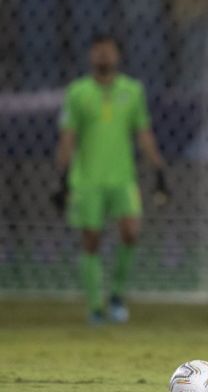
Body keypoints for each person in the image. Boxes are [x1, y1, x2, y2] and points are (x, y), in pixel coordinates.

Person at [54, 34, 168, 325]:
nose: (104, 56)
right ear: (91, 56)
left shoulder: (132, 90)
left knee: (130, 232)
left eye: (109, 51)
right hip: (87, 179)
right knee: (91, 240)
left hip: (122, 177)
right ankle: (95, 307)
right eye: (98, 51)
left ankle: (116, 295)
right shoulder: (77, 92)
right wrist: (61, 177)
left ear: (117, 56)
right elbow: (68, 136)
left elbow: (143, 132)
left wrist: (158, 170)